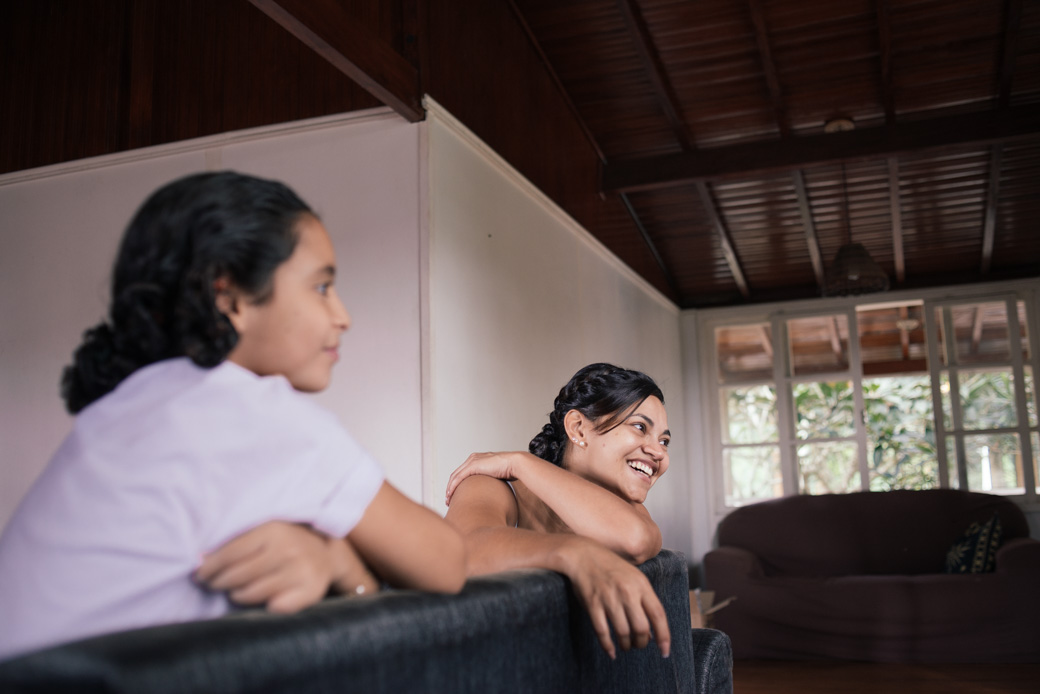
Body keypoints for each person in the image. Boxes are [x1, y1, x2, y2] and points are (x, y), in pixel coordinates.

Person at [0, 171, 466, 661]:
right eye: (322, 286)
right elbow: (446, 561)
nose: (342, 316)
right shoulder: (248, 408)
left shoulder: (126, 406)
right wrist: (337, 559)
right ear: (229, 300)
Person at [444, 363, 672, 660]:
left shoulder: (628, 509)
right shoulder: (492, 485)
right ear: (578, 428)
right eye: (640, 427)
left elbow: (635, 540)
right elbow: (461, 551)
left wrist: (521, 462)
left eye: (664, 441)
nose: (659, 453)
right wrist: (573, 552)